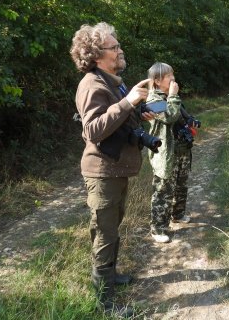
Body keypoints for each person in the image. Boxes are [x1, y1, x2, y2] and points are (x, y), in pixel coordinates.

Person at [70, 22, 155, 317]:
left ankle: (111, 276)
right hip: (102, 172)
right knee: (104, 233)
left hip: (117, 169)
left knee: (113, 225)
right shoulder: (91, 84)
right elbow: (92, 130)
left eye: (118, 45)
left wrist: (137, 113)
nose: (120, 50)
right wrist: (128, 101)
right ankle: (105, 302)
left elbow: (116, 119)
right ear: (96, 55)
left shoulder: (113, 80)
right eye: (114, 47)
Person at [146, 62, 200, 243]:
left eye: (173, 75)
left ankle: (177, 215)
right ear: (157, 80)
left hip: (182, 149)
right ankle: (158, 228)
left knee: (180, 185)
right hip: (166, 153)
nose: (173, 79)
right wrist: (173, 96)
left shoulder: (171, 96)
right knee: (163, 190)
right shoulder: (153, 100)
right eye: (169, 76)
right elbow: (169, 117)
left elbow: (180, 116)